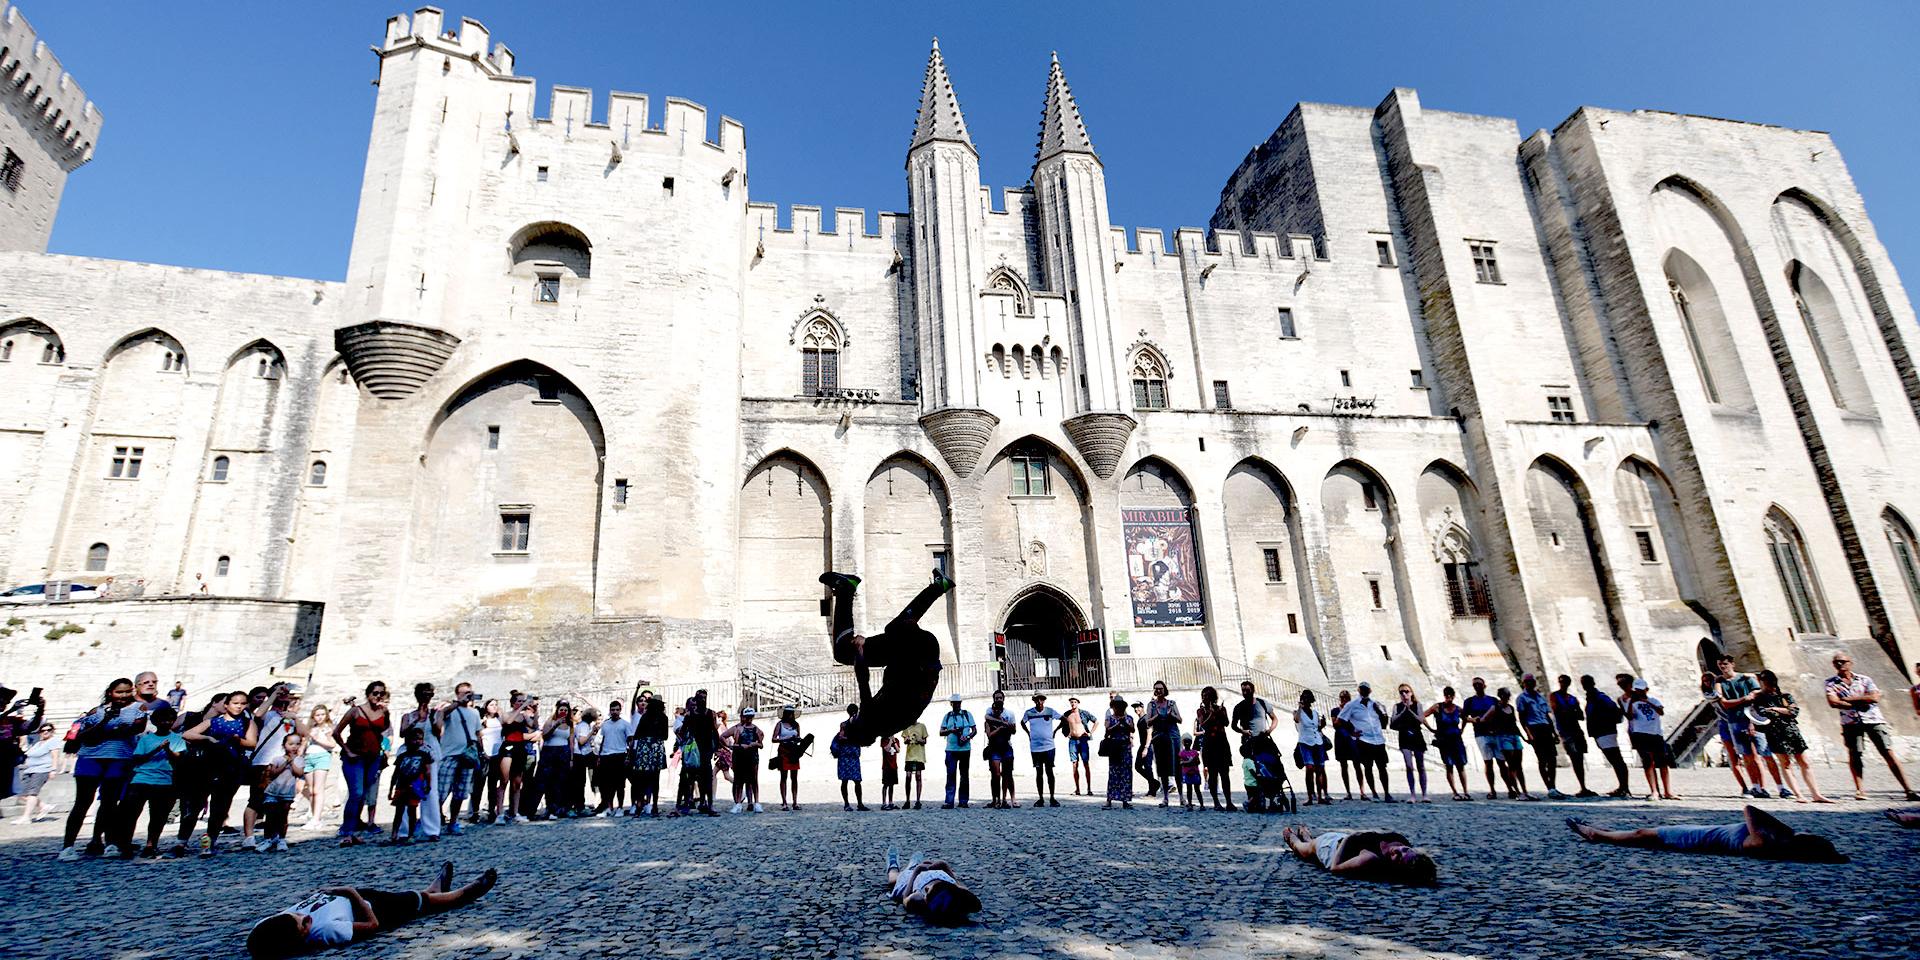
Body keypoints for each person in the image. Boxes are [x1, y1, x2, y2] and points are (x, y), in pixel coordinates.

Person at [246, 861, 499, 958]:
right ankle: (459, 896)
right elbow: (372, 926)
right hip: (366, 908)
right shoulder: (324, 930)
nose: (305, 917)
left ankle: (433, 890)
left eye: (297, 916)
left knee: (409, 898)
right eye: (304, 924)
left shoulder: (272, 925)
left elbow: (262, 934)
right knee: (414, 904)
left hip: (353, 898)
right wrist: (351, 893)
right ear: (302, 936)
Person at [819, 568, 956, 746]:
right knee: (845, 652)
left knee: (899, 626)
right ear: (857, 726)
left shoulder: (885, 727)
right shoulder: (870, 720)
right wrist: (860, 651)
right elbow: (863, 679)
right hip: (915, 654)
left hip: (919, 657)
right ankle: (845, 589)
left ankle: (939, 586)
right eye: (847, 725)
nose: (849, 719)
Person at [1565, 805, 1847, 863]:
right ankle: (1599, 833)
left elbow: (1749, 810)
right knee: (1647, 836)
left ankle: (1598, 835)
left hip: (1700, 837)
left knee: (1645, 834)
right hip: (1706, 835)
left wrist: (1780, 829)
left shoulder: (1762, 843)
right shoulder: (1776, 843)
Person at [61, 677, 148, 860]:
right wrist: (107, 723)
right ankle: (68, 846)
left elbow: (134, 730)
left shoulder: (138, 709)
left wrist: (104, 731)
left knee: (109, 802)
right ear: (110, 692)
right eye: (119, 692)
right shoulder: (96, 711)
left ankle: (107, 842)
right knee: (82, 802)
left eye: (127, 691)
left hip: (118, 758)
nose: (123, 696)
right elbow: (82, 735)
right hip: (90, 758)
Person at [1824, 652, 1919, 801]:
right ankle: (1860, 791)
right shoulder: (1830, 682)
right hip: (1850, 722)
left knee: (1887, 752)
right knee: (1854, 755)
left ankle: (1908, 789)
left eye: (1842, 661)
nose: (1840, 664)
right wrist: (1862, 700)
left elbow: (1874, 697)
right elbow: (1833, 702)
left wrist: (1848, 700)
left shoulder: (1864, 679)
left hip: (1873, 719)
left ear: (1850, 662)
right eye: (1836, 662)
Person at [180, 690, 259, 856]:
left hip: (231, 767)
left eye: (242, 703)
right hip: (208, 766)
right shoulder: (213, 721)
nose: (239, 706)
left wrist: (239, 740)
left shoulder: (247, 723)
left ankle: (209, 842)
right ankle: (182, 841)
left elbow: (252, 743)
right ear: (226, 705)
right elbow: (188, 733)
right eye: (235, 703)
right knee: (195, 805)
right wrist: (207, 739)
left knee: (220, 807)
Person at [1710, 655, 1789, 799]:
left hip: (1755, 720)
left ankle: (1781, 788)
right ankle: (1756, 788)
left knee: (1766, 754)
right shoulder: (1719, 682)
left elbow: (1757, 696)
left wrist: (1751, 717)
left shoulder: (1745, 679)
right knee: (1747, 757)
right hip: (1734, 721)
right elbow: (1725, 703)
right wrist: (1743, 699)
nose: (1723, 667)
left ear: (1732, 664)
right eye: (1720, 664)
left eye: (1725, 664)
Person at [1751, 669, 1832, 803]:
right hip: (1775, 732)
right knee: (1786, 763)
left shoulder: (1785, 696)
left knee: (1804, 762)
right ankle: (1798, 794)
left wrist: (1775, 709)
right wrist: (1782, 711)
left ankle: (1816, 794)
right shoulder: (1759, 698)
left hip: (1791, 731)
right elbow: (1763, 712)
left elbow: (1794, 711)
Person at [118, 704, 185, 858]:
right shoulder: (146, 739)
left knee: (158, 816)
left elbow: (179, 760)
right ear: (155, 722)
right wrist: (157, 749)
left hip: (164, 781)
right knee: (131, 815)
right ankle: (126, 845)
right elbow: (138, 759)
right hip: (141, 779)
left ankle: (151, 845)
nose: (166, 723)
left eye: (169, 720)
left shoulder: (177, 739)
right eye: (162, 720)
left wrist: (167, 750)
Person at [332, 683, 391, 843]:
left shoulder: (382, 711)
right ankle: (346, 829)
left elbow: (385, 728)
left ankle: (354, 827)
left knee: (363, 794)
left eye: (381, 693)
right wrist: (347, 750)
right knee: (356, 792)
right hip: (355, 757)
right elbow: (336, 732)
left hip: (372, 758)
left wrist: (387, 712)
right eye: (375, 692)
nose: (378, 696)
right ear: (368, 693)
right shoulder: (355, 711)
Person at [1281, 824, 1438, 885]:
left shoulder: (1370, 859)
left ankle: (1292, 838)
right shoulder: (1400, 841)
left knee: (1305, 849)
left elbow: (1335, 868)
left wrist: (1350, 837)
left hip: (1331, 849)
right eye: (1406, 850)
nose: (1399, 850)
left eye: (1398, 857)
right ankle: (1307, 835)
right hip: (1341, 839)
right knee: (1312, 843)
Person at [882, 847, 983, 926]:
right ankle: (914, 864)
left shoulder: (918, 897)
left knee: (893, 881)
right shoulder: (955, 892)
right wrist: (945, 867)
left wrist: (916, 871)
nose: (926, 889)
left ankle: (894, 864)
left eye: (927, 893)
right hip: (934, 870)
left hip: (913, 879)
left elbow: (905, 898)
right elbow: (961, 888)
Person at [433, 685, 480, 834]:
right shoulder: (451, 709)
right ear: (457, 694)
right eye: (465, 693)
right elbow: (441, 715)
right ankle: (433, 820)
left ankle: (453, 822)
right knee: (441, 791)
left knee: (460, 792)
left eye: (470, 692)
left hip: (467, 756)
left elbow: (477, 733)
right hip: (450, 755)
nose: (468, 695)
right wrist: (457, 703)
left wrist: (480, 751)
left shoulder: (474, 713)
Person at [1474, 687, 1533, 800]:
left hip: (1514, 736)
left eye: (1508, 695)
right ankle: (1517, 792)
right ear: (1501, 696)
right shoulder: (1495, 707)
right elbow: (1484, 719)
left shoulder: (1511, 708)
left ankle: (1525, 791)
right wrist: (1490, 728)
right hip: (1503, 737)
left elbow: (1514, 724)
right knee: (1511, 765)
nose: (1507, 698)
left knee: (1518, 765)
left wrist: (1524, 737)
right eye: (1505, 695)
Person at [1337, 683, 1392, 802]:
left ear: (1370, 690)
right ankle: (1374, 793)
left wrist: (1383, 713)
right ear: (1359, 690)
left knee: (1382, 767)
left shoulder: (1375, 704)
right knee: (1368, 767)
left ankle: (1387, 793)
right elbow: (1339, 720)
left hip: (1378, 739)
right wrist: (1352, 732)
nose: (1364, 691)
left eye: (1366, 689)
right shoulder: (1352, 705)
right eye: (1362, 689)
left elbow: (1384, 724)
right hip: (1364, 740)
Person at [1624, 678, 1677, 800]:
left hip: (1655, 733)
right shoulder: (1632, 702)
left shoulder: (1654, 700)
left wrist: (1647, 702)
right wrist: (1632, 702)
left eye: (1641, 690)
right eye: (1637, 690)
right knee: (1648, 762)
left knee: (1663, 763)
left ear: (1646, 690)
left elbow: (1660, 712)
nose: (1639, 692)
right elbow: (1630, 717)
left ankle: (1668, 791)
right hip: (1641, 733)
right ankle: (1654, 791)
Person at [1581, 674, 1632, 798]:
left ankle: (1624, 787)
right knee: (1614, 759)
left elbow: (1615, 711)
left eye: (1586, 683)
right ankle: (1622, 787)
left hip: (1605, 731)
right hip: (1601, 732)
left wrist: (1606, 722)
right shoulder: (1593, 697)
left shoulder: (1600, 697)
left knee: (1616, 759)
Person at [1547, 675, 1596, 798]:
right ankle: (1582, 786)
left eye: (1565, 682)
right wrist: (1571, 710)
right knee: (1574, 757)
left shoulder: (1572, 698)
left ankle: (1583, 786)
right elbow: (1557, 711)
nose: (1563, 684)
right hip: (1566, 732)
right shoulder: (1555, 696)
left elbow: (1580, 715)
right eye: (1561, 682)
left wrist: (1569, 711)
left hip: (1576, 731)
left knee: (1579, 758)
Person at [1515, 674, 1562, 799]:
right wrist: (1528, 734)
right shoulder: (1522, 698)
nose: (1530, 684)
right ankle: (1549, 787)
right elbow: (1522, 718)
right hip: (1534, 728)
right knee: (1542, 759)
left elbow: (1547, 716)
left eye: (1532, 681)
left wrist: (1554, 732)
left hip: (1545, 727)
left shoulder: (1540, 697)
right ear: (1524, 683)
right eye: (1528, 682)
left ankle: (1553, 786)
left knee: (1552, 759)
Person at [258, 732, 305, 852]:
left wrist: (292, 762)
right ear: (284, 745)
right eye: (291, 744)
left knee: (283, 817)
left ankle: (281, 839)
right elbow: (273, 773)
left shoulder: (299, 760)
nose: (294, 747)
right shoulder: (277, 759)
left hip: (287, 793)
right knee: (270, 817)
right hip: (273, 792)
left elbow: (299, 773)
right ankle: (268, 839)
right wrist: (285, 763)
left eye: (297, 744)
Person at [530, 699, 575, 820]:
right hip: (549, 752)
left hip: (563, 753)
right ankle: (534, 809)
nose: (563, 712)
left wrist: (571, 759)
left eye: (566, 710)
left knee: (559, 782)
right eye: (561, 710)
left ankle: (556, 809)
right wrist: (556, 725)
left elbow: (571, 742)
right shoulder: (551, 720)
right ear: (557, 710)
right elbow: (545, 735)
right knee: (543, 780)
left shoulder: (570, 724)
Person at [1423, 687, 1471, 801]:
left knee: (1461, 766)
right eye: (1446, 695)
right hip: (1444, 741)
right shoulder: (1438, 707)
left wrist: (1462, 729)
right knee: (1449, 766)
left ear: (1453, 696)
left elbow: (1466, 718)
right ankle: (1455, 792)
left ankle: (1465, 792)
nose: (1448, 697)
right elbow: (1423, 715)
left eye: (1450, 695)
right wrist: (1431, 729)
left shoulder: (1457, 709)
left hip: (1456, 739)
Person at [494, 693, 534, 824]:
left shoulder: (524, 716)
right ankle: (499, 812)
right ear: (513, 702)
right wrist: (521, 707)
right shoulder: (507, 714)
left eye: (523, 701)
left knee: (517, 782)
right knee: (504, 780)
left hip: (520, 747)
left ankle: (514, 812)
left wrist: (534, 711)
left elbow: (532, 725)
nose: (521, 703)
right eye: (519, 701)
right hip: (508, 746)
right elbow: (508, 721)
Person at [1194, 686, 1236, 811]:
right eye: (1203, 696)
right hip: (1210, 744)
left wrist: (1221, 712)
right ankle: (1216, 802)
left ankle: (1229, 801)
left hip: (1221, 742)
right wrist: (1211, 713)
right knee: (1212, 773)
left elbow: (1226, 723)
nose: (1205, 698)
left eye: (1207, 695)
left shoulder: (1221, 709)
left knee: (1225, 774)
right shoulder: (1201, 711)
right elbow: (1203, 724)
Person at [1389, 684, 1430, 803]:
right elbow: (1392, 723)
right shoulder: (1397, 707)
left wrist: (1410, 711)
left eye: (1406, 691)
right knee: (1409, 766)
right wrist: (1403, 712)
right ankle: (1412, 794)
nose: (1404, 694)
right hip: (1404, 736)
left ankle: (1424, 794)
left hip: (1416, 736)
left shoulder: (1418, 705)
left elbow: (1420, 720)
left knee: (1421, 765)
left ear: (1411, 692)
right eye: (1401, 692)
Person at [1144, 682, 1183, 808]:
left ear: (1164, 690)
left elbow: (1180, 719)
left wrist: (1171, 715)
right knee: (1162, 767)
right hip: (1159, 736)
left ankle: (1182, 797)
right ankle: (1166, 797)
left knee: (1177, 765)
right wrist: (1156, 716)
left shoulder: (1171, 703)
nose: (1158, 691)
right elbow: (1148, 722)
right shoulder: (1151, 705)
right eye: (1156, 689)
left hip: (1173, 735)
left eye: (1160, 689)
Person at [1461, 677, 1501, 800]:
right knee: (1488, 762)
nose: (1477, 686)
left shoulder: (1493, 700)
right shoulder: (1469, 701)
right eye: (1475, 684)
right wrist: (1472, 720)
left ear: (1484, 685)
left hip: (1496, 733)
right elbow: (1463, 717)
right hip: (1481, 734)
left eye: (1479, 684)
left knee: (1502, 762)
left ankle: (1511, 788)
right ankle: (1492, 790)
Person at [1020, 692, 1061, 807]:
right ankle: (1041, 798)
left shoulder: (1050, 711)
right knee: (1039, 772)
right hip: (1036, 747)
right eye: (1037, 700)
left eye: (1041, 700)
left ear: (1044, 700)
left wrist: (1056, 731)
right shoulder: (1029, 712)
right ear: (1034, 701)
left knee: (1049, 771)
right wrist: (1028, 733)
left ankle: (1052, 797)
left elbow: (1063, 719)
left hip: (1049, 746)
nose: (1039, 702)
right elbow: (1022, 722)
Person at [12, 721, 57, 824]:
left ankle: (26, 817)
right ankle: (43, 806)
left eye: (48, 730)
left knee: (32, 793)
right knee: (22, 794)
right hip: (30, 769)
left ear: (52, 731)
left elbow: (55, 756)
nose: (45, 732)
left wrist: (53, 769)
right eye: (43, 730)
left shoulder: (53, 741)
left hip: (42, 770)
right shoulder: (38, 743)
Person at [301, 705, 338, 829]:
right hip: (309, 757)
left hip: (322, 756)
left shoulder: (328, 728)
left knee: (318, 789)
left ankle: (316, 818)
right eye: (317, 715)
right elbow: (304, 743)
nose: (320, 717)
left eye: (322, 714)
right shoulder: (311, 728)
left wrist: (317, 739)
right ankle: (313, 816)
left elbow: (332, 744)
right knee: (311, 790)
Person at [633, 696, 670, 815]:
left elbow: (637, 734)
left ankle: (639, 804)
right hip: (656, 747)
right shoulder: (663, 717)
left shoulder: (645, 716)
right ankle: (654, 805)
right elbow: (665, 736)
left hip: (644, 747)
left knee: (641, 778)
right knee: (655, 778)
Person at [981, 690, 1018, 809]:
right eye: (996, 699)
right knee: (995, 775)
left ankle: (1005, 799)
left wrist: (1007, 726)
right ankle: (995, 799)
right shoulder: (989, 716)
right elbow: (989, 734)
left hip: (1006, 746)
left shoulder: (1009, 714)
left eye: (1000, 698)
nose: (997, 708)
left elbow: (1013, 730)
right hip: (994, 748)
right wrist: (1002, 726)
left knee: (1007, 774)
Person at [1291, 689, 1329, 805]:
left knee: (1319, 769)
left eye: (1308, 699)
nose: (1306, 701)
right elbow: (1296, 719)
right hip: (1305, 742)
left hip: (1317, 742)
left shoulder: (1315, 713)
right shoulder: (1298, 712)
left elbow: (1317, 728)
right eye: (1304, 699)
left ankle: (1320, 796)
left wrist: (1322, 724)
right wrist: (1300, 707)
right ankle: (1310, 796)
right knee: (1309, 768)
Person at [594, 698, 630, 816]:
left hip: (619, 755)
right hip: (606, 755)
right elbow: (602, 740)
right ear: (610, 711)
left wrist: (628, 756)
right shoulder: (605, 724)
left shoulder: (625, 724)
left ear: (620, 710)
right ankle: (609, 807)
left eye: (617, 710)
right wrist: (599, 756)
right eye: (613, 709)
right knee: (606, 785)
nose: (615, 712)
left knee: (620, 784)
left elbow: (630, 741)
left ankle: (619, 807)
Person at [939, 694, 975, 809]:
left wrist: (968, 737)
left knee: (964, 775)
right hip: (951, 749)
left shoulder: (967, 715)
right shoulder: (947, 716)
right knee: (951, 775)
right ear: (951, 704)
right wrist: (951, 730)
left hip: (965, 749)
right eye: (955, 703)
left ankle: (963, 801)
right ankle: (949, 801)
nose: (957, 705)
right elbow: (941, 732)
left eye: (958, 703)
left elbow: (974, 730)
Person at [1330, 690, 1366, 800]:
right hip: (1341, 739)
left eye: (1346, 698)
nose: (1344, 700)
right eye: (1342, 698)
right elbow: (1335, 724)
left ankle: (1362, 791)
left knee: (1357, 765)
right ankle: (1348, 792)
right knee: (1343, 766)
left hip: (1352, 739)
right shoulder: (1335, 710)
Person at [771, 704, 808, 811]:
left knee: (794, 777)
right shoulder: (780, 724)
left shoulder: (796, 725)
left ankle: (795, 801)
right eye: (789, 713)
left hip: (794, 751)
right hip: (783, 750)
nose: (790, 715)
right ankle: (784, 801)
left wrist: (797, 739)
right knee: (783, 776)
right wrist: (784, 739)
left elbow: (798, 737)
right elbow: (773, 739)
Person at [835, 702, 870, 811]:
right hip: (852, 753)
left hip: (846, 754)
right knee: (856, 781)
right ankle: (859, 803)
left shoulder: (844, 724)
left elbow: (841, 737)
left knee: (845, 780)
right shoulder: (855, 725)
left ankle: (847, 804)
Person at [1102, 696, 1134, 809]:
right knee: (1113, 773)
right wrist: (1117, 724)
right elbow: (1107, 730)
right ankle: (1109, 799)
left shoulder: (1129, 718)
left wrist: (1124, 723)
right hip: (1114, 747)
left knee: (1126, 774)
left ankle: (1125, 800)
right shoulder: (1110, 718)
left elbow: (1132, 729)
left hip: (1126, 747)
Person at [1061, 696, 1097, 796]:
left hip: (1083, 740)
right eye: (1071, 702)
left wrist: (1090, 733)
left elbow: (1096, 721)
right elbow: (1062, 725)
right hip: (1073, 740)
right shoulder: (1067, 714)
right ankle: (1077, 789)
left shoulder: (1084, 713)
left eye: (1075, 702)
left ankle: (1089, 789)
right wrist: (1066, 734)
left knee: (1086, 764)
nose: (1073, 704)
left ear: (1078, 703)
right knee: (1074, 764)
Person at [1130, 701, 1159, 798]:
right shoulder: (1140, 719)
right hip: (1143, 745)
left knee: (1147, 766)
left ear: (1142, 707)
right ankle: (1154, 783)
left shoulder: (1146, 719)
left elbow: (1149, 733)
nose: (1136, 709)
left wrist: (1146, 748)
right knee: (1138, 766)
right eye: (1135, 708)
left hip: (1148, 745)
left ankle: (1152, 791)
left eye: (1138, 707)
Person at [900, 715, 929, 810]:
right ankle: (907, 800)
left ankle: (918, 800)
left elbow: (925, 741)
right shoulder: (906, 727)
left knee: (918, 776)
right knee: (908, 777)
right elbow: (904, 740)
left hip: (919, 756)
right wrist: (907, 740)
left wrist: (920, 740)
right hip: (909, 756)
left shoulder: (922, 726)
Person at [1176, 735, 1202, 810]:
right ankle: (1190, 804)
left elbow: (1198, 762)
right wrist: (1190, 761)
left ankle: (1201, 804)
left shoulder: (1195, 753)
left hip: (1195, 773)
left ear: (1191, 742)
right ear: (1183, 743)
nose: (1187, 743)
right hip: (1188, 774)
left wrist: (1192, 761)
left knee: (1197, 790)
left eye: (1188, 742)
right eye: (1185, 742)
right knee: (1189, 789)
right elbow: (1181, 763)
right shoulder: (1182, 753)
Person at [880, 732, 901, 810]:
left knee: (892, 784)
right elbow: (886, 749)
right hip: (886, 766)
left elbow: (898, 750)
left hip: (894, 766)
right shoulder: (884, 740)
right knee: (885, 784)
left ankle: (891, 802)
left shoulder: (896, 740)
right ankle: (884, 803)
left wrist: (894, 741)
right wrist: (890, 742)